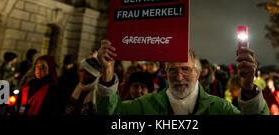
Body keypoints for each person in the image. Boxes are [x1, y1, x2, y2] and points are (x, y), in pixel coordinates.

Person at [95, 40, 269, 115]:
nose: (179, 77)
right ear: (165, 74)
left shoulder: (219, 108)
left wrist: (248, 87)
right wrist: (108, 71)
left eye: (185, 69)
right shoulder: (144, 105)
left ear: (198, 74)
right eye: (173, 70)